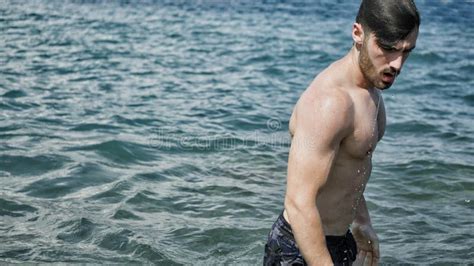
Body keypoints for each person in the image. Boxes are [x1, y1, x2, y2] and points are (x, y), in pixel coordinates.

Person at [264, 1, 420, 265]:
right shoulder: (330, 104)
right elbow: (298, 203)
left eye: (407, 52)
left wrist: (362, 221)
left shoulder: (372, 91)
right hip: (298, 248)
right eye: (388, 49)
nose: (397, 64)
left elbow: (349, 167)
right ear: (358, 34)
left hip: (339, 239)